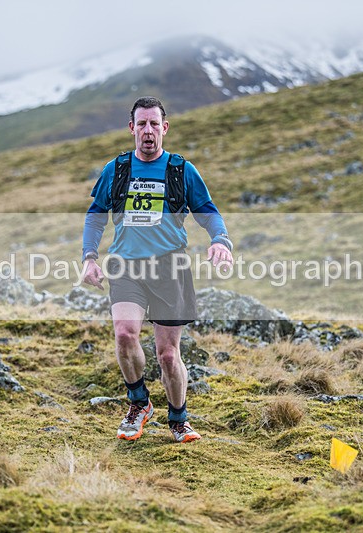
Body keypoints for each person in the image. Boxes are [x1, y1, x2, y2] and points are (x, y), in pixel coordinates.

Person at [81, 96, 234, 443]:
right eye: (141, 124)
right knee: (124, 333)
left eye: (154, 124)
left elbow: (207, 210)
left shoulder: (181, 170)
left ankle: (178, 419)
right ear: (131, 129)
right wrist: (89, 257)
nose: (147, 131)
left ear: (164, 129)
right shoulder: (116, 170)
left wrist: (220, 240)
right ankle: (139, 403)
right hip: (126, 267)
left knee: (167, 355)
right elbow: (96, 214)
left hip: (169, 267)